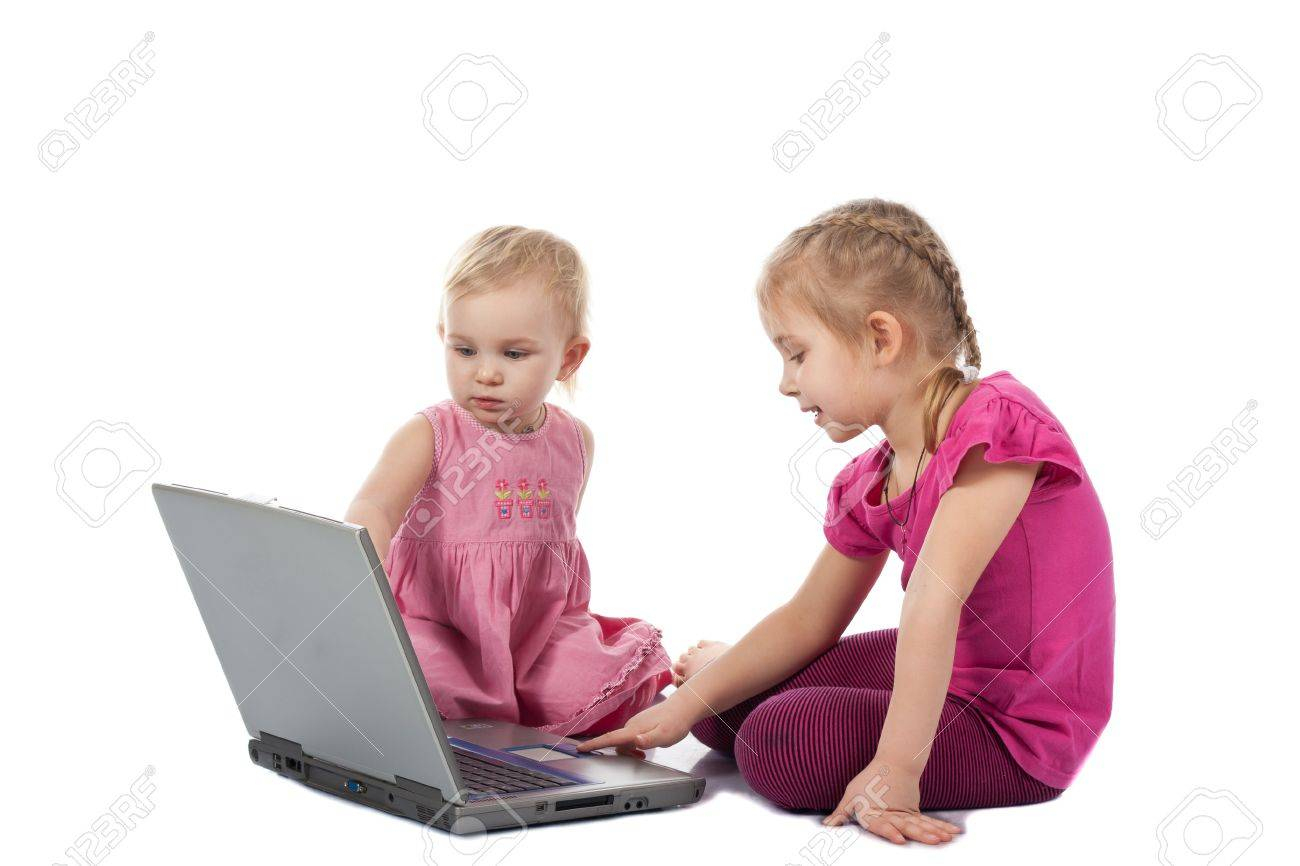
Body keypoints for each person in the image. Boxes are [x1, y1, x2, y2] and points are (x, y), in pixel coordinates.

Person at [579, 199, 1115, 845]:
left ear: (880, 339)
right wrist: (681, 707)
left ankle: (789, 698)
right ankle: (727, 675)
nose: (785, 382)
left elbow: (932, 608)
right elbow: (810, 617)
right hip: (946, 667)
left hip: (1017, 721)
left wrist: (896, 768)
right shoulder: (876, 475)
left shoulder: (996, 428)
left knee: (781, 744)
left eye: (797, 354)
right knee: (718, 715)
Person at [345, 226, 672, 737]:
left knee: (603, 679)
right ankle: (458, 711)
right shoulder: (431, 433)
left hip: (537, 638)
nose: (486, 374)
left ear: (568, 358)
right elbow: (376, 507)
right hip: (445, 628)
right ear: (443, 340)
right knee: (419, 676)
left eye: (513, 355)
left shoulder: (573, 441)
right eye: (465, 350)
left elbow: (547, 555)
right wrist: (362, 565)